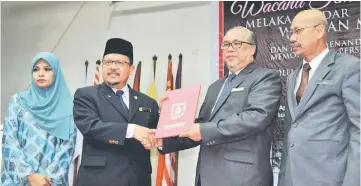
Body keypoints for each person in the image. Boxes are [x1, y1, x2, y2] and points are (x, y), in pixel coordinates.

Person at [156, 26, 282, 186]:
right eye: (225, 44)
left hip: (242, 177)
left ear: (252, 49)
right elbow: (200, 126)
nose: (229, 49)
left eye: (236, 43)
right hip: (206, 176)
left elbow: (255, 118)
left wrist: (202, 130)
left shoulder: (265, 78)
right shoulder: (215, 87)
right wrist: (165, 136)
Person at [278, 9, 360, 186]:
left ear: (319, 31)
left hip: (329, 178)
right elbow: (290, 133)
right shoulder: (293, 77)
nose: (292, 38)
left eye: (298, 31)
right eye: (291, 32)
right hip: (293, 178)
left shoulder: (349, 68)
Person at [73, 38, 159, 186]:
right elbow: (91, 127)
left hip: (138, 180)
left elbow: (160, 133)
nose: (112, 67)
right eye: (107, 62)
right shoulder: (86, 95)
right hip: (99, 179)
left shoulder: (147, 102)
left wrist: (180, 121)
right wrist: (132, 130)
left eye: (119, 63)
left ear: (131, 70)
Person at [1, 52, 77, 186]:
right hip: (17, 180)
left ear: (56, 73)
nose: (40, 74)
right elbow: (9, 141)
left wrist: (47, 180)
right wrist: (28, 176)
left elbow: (67, 148)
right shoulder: (18, 101)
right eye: (35, 69)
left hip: (49, 182)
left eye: (47, 69)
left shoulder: (69, 107)